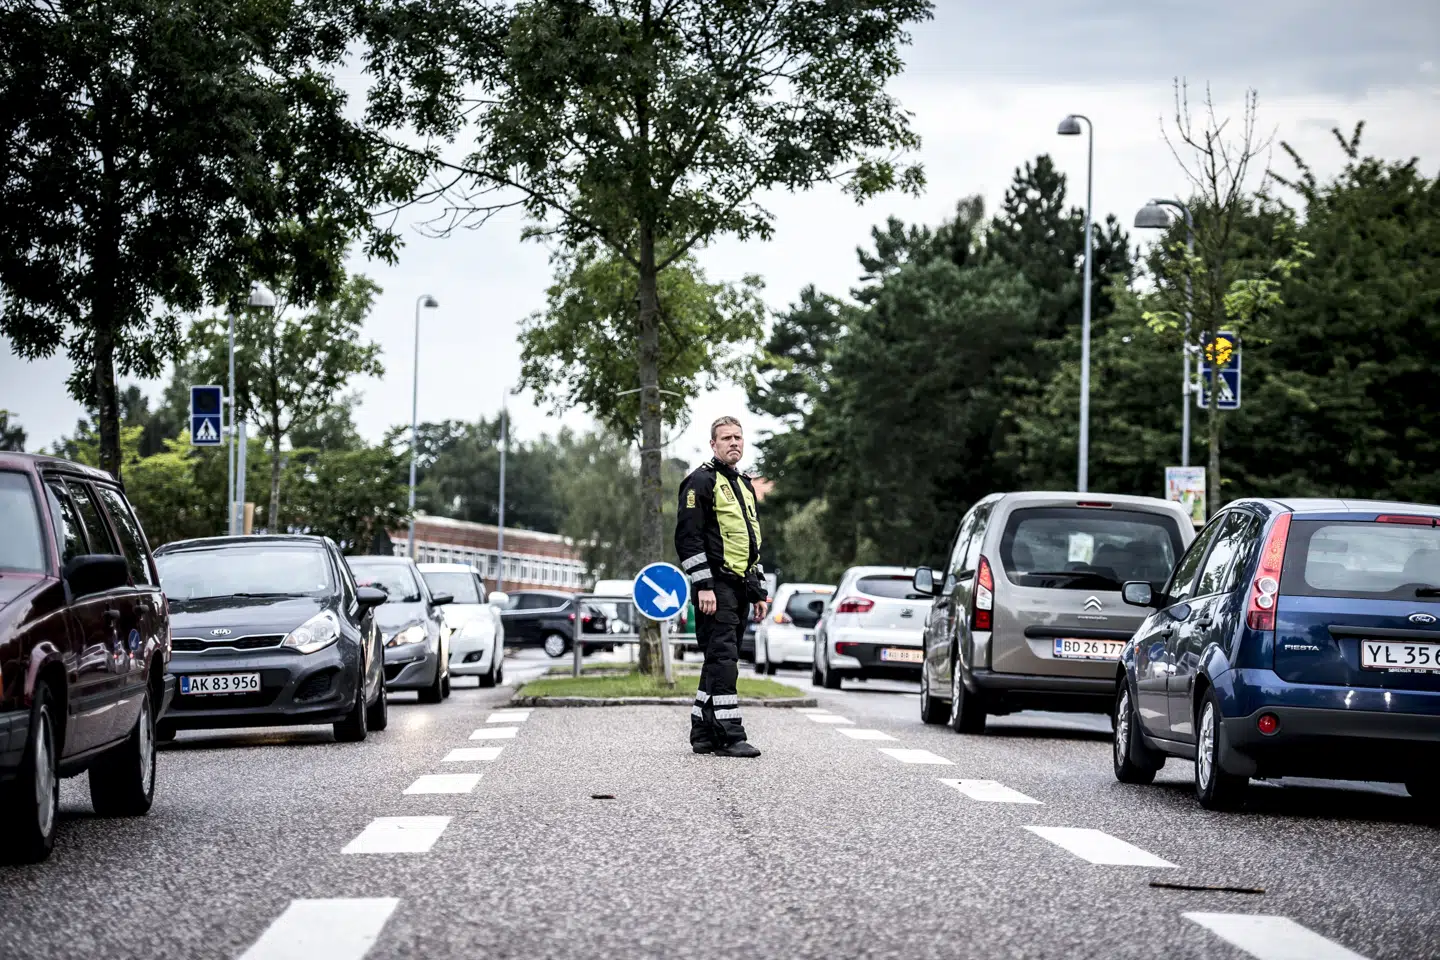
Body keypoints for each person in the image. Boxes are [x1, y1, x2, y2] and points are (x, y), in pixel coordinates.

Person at [674, 416, 769, 758]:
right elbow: (688, 539)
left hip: (739, 587)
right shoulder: (700, 481)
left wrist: (758, 591)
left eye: (738, 437)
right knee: (725, 659)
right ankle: (730, 734)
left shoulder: (744, 484)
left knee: (717, 659)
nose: (734, 443)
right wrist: (704, 586)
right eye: (726, 438)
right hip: (715, 586)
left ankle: (702, 733)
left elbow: (750, 544)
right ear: (713, 444)